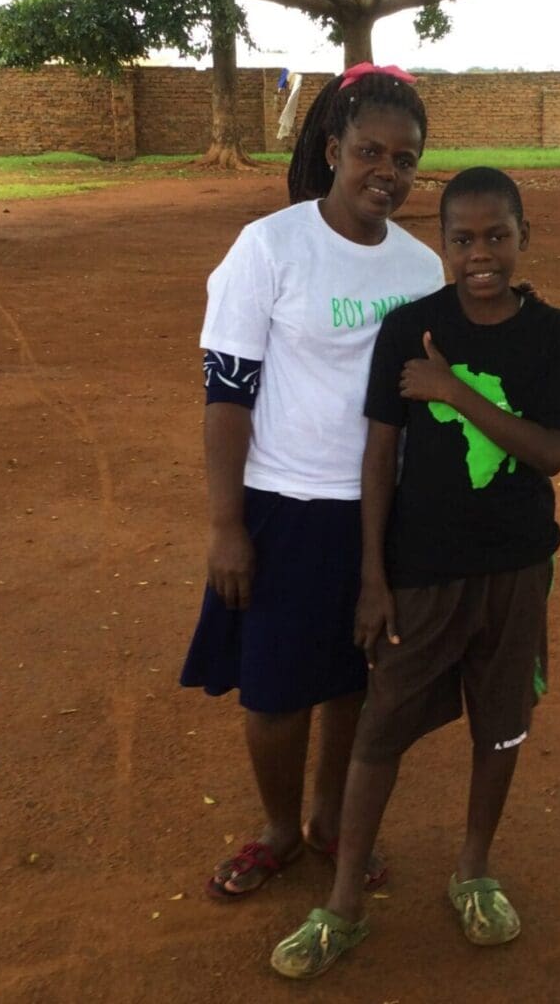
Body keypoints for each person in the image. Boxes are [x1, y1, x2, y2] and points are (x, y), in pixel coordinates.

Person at [271, 167, 560, 978]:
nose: (480, 254)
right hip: (423, 570)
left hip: (516, 568)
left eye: (497, 237)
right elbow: (379, 455)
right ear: (441, 245)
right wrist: (373, 576)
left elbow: (550, 452)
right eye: (462, 240)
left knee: (502, 720)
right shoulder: (409, 328)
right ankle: (343, 903)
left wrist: (451, 390)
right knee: (381, 728)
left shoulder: (554, 335)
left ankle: (474, 870)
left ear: (524, 237)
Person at [180, 63, 445, 901]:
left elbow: (429, 402)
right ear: (333, 148)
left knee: (357, 682)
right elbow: (228, 396)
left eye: (405, 160)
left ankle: (333, 821)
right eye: (370, 151)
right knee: (275, 690)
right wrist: (227, 526)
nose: (387, 173)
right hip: (285, 506)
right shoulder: (270, 247)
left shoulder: (420, 269)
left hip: (383, 514)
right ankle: (279, 829)